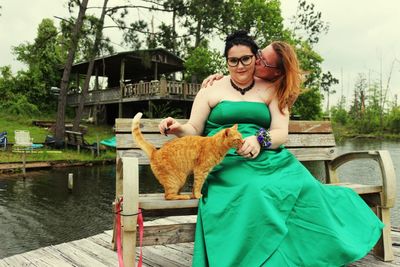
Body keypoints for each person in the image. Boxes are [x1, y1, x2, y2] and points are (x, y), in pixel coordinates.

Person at [158, 30, 384, 266]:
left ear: (255, 58)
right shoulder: (210, 89)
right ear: (226, 61)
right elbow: (194, 128)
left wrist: (258, 140)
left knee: (306, 186)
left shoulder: (272, 89)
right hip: (225, 159)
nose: (240, 65)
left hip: (268, 156)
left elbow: (280, 132)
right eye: (233, 60)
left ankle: (303, 255)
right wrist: (177, 128)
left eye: (246, 58)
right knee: (254, 187)